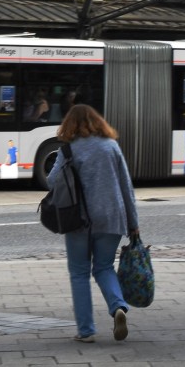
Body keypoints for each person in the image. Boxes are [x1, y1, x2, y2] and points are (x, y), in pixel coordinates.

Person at [46, 104, 139, 343]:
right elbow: (126, 187)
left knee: (79, 273)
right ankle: (118, 306)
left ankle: (86, 331)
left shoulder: (69, 150)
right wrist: (133, 223)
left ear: (69, 125)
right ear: (98, 122)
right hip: (112, 217)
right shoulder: (111, 146)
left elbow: (53, 181)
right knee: (104, 267)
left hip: (79, 220)